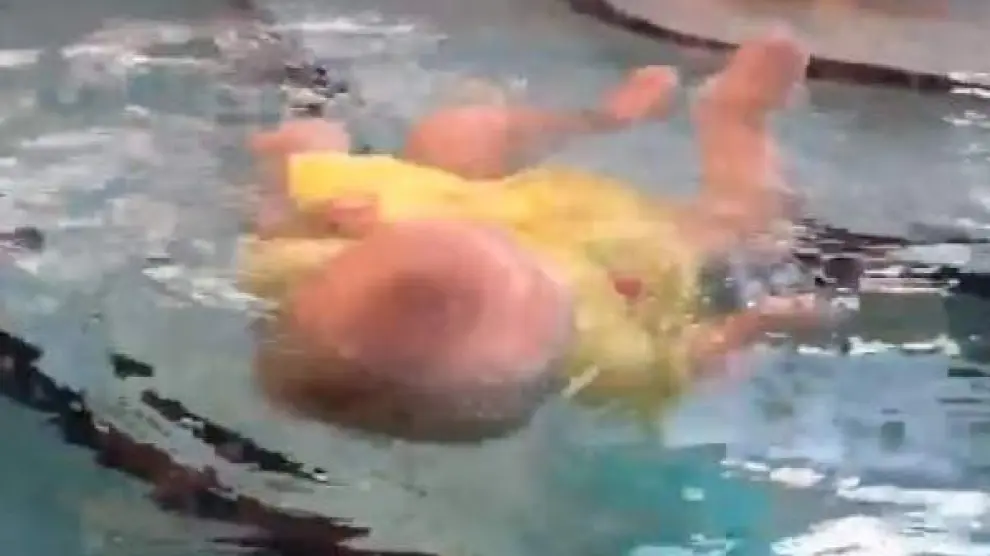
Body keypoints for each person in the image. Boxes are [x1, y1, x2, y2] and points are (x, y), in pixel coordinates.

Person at [243, 27, 822, 443]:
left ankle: (599, 119)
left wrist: (298, 182)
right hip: (615, 249)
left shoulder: (302, 269)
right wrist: (748, 329)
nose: (512, 244)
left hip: (469, 195)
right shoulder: (604, 360)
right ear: (555, 352)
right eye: (537, 275)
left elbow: (277, 220)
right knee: (747, 227)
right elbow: (690, 366)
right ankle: (733, 118)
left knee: (451, 134)